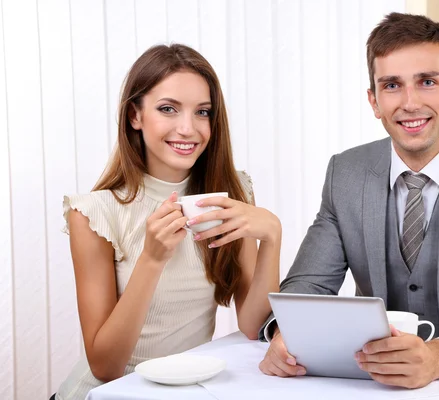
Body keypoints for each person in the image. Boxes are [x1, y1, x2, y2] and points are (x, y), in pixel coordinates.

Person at [258, 12, 439, 400]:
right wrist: (285, 335)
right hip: (374, 386)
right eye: (392, 85)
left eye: (427, 82)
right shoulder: (345, 173)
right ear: (374, 101)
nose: (410, 103)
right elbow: (307, 286)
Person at [53, 44, 281, 400]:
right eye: (168, 109)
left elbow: (253, 327)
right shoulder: (94, 213)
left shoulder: (230, 194)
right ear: (135, 116)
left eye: (202, 112)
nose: (188, 128)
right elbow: (105, 367)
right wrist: (152, 259)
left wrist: (271, 236)